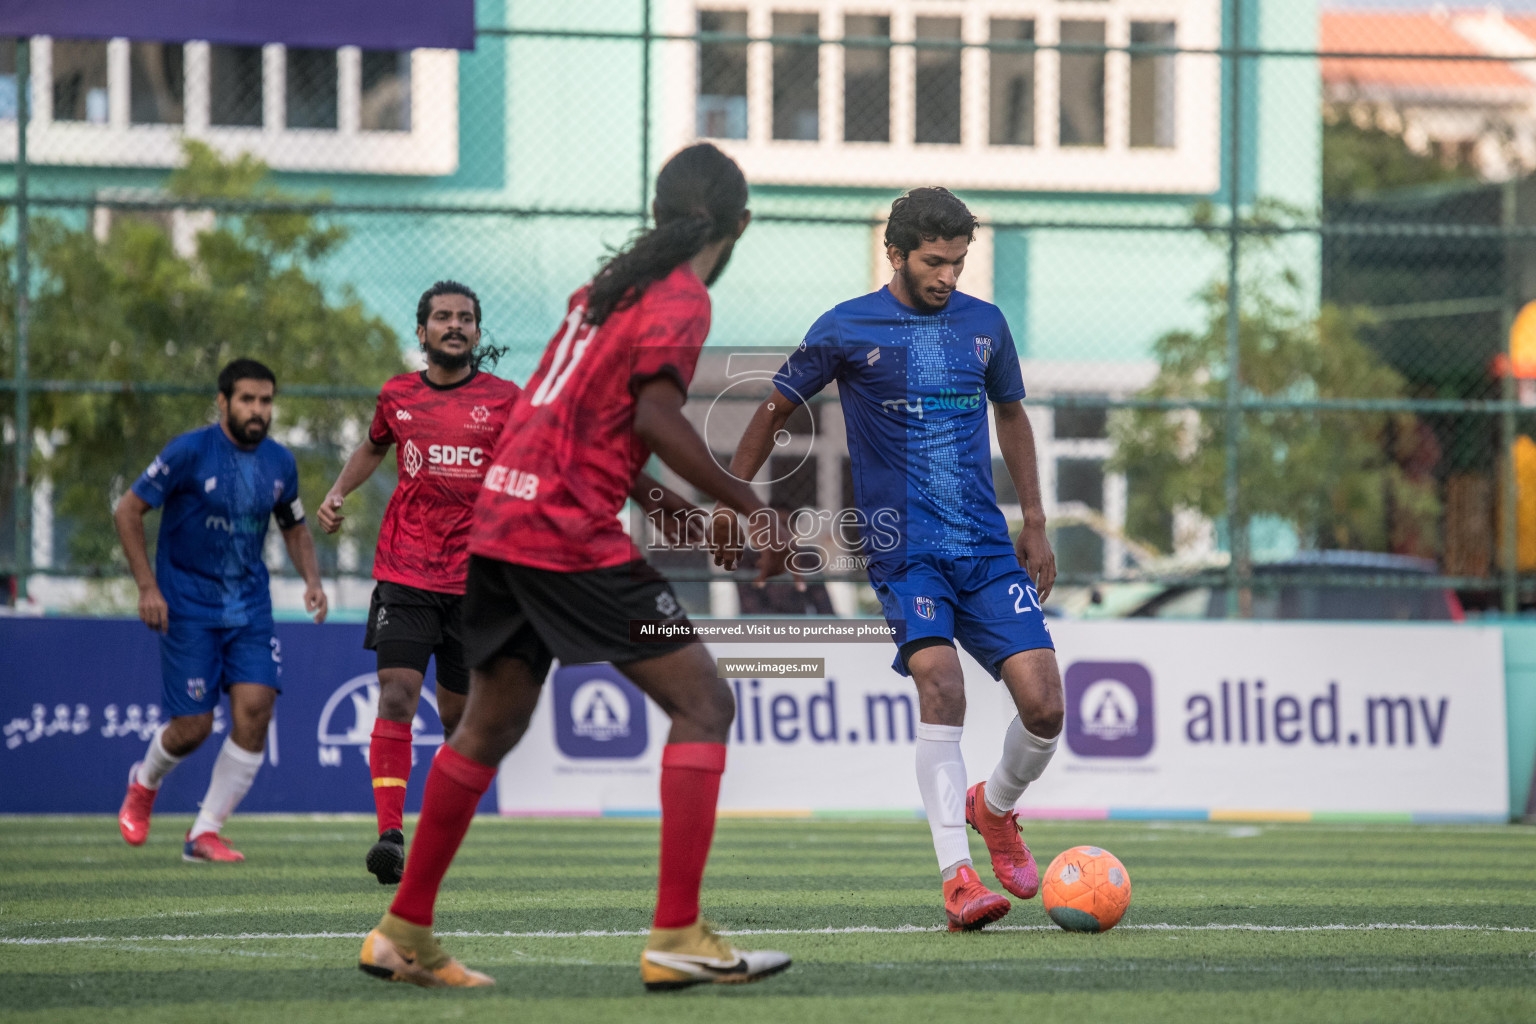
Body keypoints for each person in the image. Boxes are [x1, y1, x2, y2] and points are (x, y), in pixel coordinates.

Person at [356, 142, 794, 991]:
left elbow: (597, 424)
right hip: (564, 531)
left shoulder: (604, 294)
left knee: (490, 726)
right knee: (704, 702)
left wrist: (678, 512)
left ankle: (403, 930)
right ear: (738, 225)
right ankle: (678, 934)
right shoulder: (680, 295)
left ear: (663, 212)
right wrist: (746, 503)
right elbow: (657, 411)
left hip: (503, 518)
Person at [719, 187, 1064, 932]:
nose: (948, 276)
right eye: (934, 262)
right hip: (906, 554)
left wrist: (1034, 520)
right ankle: (958, 881)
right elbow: (776, 407)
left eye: (958, 262)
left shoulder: (985, 326)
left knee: (1046, 709)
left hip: (983, 548)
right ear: (897, 253)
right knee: (940, 688)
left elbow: (1011, 415)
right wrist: (733, 503)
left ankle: (994, 808)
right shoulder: (847, 327)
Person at [316, 281, 521, 885]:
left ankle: (435, 832)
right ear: (423, 331)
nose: (453, 326)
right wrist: (337, 492)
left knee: (459, 723)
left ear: (478, 334)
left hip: (476, 583)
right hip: (404, 571)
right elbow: (372, 447)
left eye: (464, 318)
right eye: (442, 318)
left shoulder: (507, 401)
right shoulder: (397, 396)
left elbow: (531, 467)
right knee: (398, 693)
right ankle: (389, 834)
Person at [115, 358, 328, 863]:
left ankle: (204, 831)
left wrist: (313, 581)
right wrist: (148, 587)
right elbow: (128, 510)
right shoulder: (190, 451)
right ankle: (144, 785)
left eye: (266, 401)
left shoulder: (280, 462)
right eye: (247, 400)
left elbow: (294, 525)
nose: (258, 410)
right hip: (187, 605)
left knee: (256, 710)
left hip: (249, 607)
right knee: (192, 728)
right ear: (223, 403)